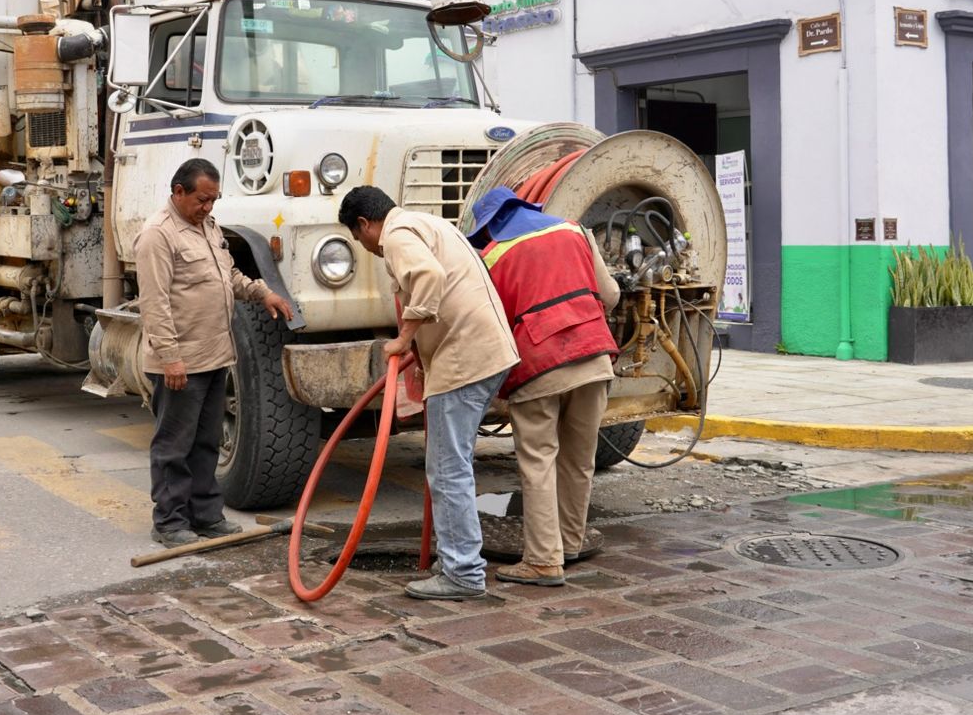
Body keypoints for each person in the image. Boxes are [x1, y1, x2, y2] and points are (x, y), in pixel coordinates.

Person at [338, 185, 518, 600]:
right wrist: (421, 349)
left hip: (465, 360)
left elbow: (430, 278)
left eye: (357, 237)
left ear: (365, 224)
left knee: (448, 469)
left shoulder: (397, 235)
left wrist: (404, 338)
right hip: (485, 351)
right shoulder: (429, 223)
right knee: (450, 465)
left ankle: (463, 573)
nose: (366, 248)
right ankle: (456, 560)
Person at [466, 187, 620, 588]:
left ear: (490, 225)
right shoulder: (574, 230)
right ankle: (570, 544)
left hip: (540, 366)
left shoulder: (492, 256)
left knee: (538, 462)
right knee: (579, 460)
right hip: (594, 356)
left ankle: (542, 562)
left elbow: (488, 326)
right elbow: (612, 295)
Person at [136, 159, 295, 547]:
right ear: (179, 192)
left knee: (207, 442)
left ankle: (206, 515)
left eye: (213, 200)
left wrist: (263, 292)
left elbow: (228, 276)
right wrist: (171, 358)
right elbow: (154, 304)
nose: (208, 208)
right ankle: (170, 523)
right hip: (180, 361)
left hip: (213, 355)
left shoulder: (206, 226)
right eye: (202, 200)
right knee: (174, 446)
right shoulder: (158, 235)